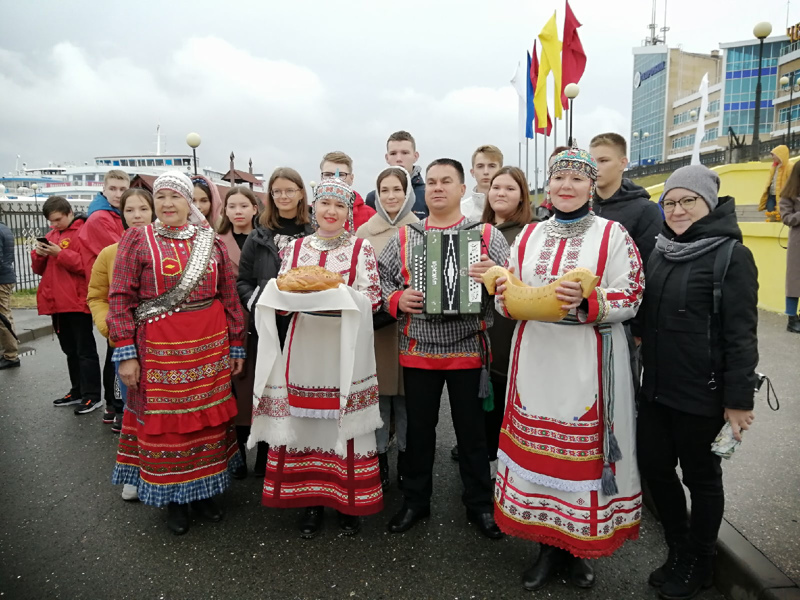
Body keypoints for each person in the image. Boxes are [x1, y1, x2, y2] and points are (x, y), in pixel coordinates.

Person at [493, 148, 644, 591]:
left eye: (577, 179)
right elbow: (509, 294)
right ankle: (545, 549)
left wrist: (588, 304)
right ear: (549, 185)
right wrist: (503, 292)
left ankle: (578, 550)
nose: (566, 186)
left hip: (588, 359)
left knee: (582, 459)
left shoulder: (613, 235)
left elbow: (632, 294)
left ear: (591, 185)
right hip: (537, 359)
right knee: (541, 458)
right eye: (559, 178)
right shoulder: (530, 235)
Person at [638, 164, 759, 599]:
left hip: (701, 393)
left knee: (701, 479)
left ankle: (700, 558)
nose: (678, 209)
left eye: (688, 200)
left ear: (708, 201)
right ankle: (679, 546)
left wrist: (738, 400)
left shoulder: (731, 255)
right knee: (653, 466)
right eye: (670, 202)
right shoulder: (662, 250)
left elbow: (741, 334)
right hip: (655, 388)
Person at [378, 158, 509, 539]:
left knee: (472, 434)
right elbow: (380, 282)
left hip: (470, 349)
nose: (437, 187)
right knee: (419, 432)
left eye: (446, 181)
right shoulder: (405, 236)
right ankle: (415, 501)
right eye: (431, 181)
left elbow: (510, 289)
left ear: (462, 189)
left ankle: (480, 505)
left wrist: (495, 278)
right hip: (418, 349)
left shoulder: (486, 235)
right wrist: (397, 300)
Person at [108, 171, 246, 535]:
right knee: (168, 425)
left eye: (177, 197)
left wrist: (236, 343)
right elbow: (120, 298)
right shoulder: (138, 239)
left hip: (210, 347)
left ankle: (204, 493)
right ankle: (175, 500)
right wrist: (125, 353)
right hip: (159, 350)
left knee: (208, 419)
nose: (168, 204)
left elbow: (229, 296)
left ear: (190, 202)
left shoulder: (209, 241)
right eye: (162, 197)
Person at [249, 176, 383, 539]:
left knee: (343, 421)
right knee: (305, 422)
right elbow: (281, 289)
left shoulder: (360, 249)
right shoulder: (294, 248)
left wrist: (338, 297)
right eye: (325, 203)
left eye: (340, 206)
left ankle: (347, 501)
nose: (331, 211)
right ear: (315, 207)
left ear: (348, 213)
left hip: (344, 347)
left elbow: (373, 298)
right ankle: (309, 500)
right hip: (304, 343)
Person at [237, 168, 313, 476]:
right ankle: (267, 455)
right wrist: (259, 302)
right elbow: (243, 281)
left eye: (289, 190)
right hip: (268, 325)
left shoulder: (314, 233)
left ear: (300, 193)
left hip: (303, 324)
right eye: (277, 191)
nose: (283, 197)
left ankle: (295, 456)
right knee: (269, 389)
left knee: (298, 389)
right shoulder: (258, 236)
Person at [356, 166, 419, 489]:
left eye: (397, 189)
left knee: (408, 400)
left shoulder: (421, 229)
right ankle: (377, 460)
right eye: (385, 190)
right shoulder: (365, 232)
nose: (391, 196)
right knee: (378, 398)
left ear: (407, 192)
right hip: (377, 329)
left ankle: (408, 463)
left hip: (413, 328)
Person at [479, 166, 538, 479]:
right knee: (487, 401)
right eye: (496, 187)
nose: (501, 193)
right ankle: (488, 461)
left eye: (509, 188)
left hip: (513, 330)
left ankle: (513, 468)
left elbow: (534, 282)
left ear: (522, 196)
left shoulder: (532, 233)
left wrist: (500, 270)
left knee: (510, 399)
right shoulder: (478, 230)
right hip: (481, 330)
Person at [87, 188, 156, 438]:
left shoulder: (170, 249)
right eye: (129, 210)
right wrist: (109, 327)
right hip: (126, 340)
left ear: (153, 211)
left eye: (143, 209)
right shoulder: (109, 253)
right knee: (132, 403)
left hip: (161, 341)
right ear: (122, 214)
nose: (137, 215)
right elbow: (96, 295)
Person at [32, 196, 103, 414]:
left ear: (69, 213)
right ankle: (77, 390)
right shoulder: (53, 235)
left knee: (85, 351)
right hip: (57, 303)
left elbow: (87, 265)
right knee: (70, 350)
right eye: (51, 222)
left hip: (77, 301)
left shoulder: (83, 232)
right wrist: (39, 254)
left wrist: (60, 254)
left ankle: (92, 396)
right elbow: (38, 269)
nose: (54, 225)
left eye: (57, 220)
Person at [216, 186, 262, 478]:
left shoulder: (266, 238)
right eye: (232, 206)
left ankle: (266, 454)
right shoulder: (215, 241)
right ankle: (237, 455)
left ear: (255, 208)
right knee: (236, 388)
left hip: (261, 319)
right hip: (228, 322)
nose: (238, 211)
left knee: (264, 387)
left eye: (244, 205)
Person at [78, 169, 130, 423]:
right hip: (113, 297)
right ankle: (115, 405)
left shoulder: (113, 214)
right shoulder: (100, 218)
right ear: (104, 189)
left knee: (117, 357)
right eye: (113, 189)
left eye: (122, 190)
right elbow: (123, 253)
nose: (118, 195)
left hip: (116, 297)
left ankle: (116, 405)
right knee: (116, 358)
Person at [365, 131, 427, 219]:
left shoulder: (428, 195)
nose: (399, 159)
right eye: (393, 153)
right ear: (387, 158)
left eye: (405, 153)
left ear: (415, 156)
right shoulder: (373, 198)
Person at [320, 151, 375, 231]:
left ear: (351, 178)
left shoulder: (369, 215)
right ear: (321, 177)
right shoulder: (311, 214)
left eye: (341, 175)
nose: (335, 179)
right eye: (328, 175)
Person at [780, 161, 800, 333]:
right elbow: (787, 218)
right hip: (798, 242)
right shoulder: (788, 194)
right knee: (794, 281)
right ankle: (792, 319)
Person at [461, 145, 504, 221]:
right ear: (472, 172)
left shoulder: (513, 209)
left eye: (492, 166)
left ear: (501, 170)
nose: (486, 172)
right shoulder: (461, 212)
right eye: (480, 166)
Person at [0, 218, 19, 369]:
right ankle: (9, 353)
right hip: (6, 276)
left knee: (3, 318)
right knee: (5, 315)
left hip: (1, 279)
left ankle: (11, 355)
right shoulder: (4, 228)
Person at [758, 145, 789, 222]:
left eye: (773, 155)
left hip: (782, 196)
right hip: (771, 195)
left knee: (780, 215)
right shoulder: (774, 166)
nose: (772, 157)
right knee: (771, 215)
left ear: (780, 155)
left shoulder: (789, 166)